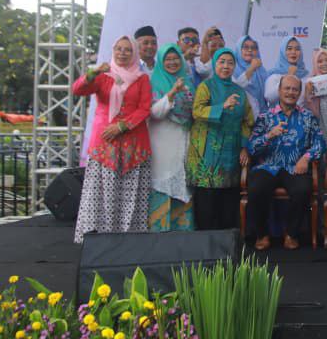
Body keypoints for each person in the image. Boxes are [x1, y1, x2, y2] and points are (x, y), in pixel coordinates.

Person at [71, 35, 153, 243]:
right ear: (113, 51)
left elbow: (144, 108)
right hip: (105, 143)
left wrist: (122, 126)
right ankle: (98, 239)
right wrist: (94, 72)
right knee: (101, 192)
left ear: (134, 53)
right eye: (119, 49)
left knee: (130, 193)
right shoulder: (103, 76)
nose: (122, 53)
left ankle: (129, 239)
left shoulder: (142, 78)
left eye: (128, 50)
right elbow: (78, 90)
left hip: (133, 143)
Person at [247, 74, 325, 250]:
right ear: (279, 90)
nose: (290, 92)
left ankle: (291, 234)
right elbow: (251, 147)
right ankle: (262, 235)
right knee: (256, 188)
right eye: (287, 88)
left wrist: (306, 158)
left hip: (295, 167)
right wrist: (269, 135)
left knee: (303, 189)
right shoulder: (265, 116)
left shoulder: (307, 116)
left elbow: (320, 143)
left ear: (299, 93)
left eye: (295, 89)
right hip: (268, 166)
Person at [186, 47, 253, 231]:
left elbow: (248, 122)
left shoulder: (240, 92)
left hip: (231, 155)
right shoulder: (206, 87)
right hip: (206, 154)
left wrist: (244, 146)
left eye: (230, 63)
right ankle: (205, 244)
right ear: (215, 64)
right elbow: (197, 111)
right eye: (222, 62)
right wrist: (222, 106)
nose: (226, 66)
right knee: (206, 203)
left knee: (228, 204)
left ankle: (226, 245)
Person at [147, 43, 195, 232]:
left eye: (176, 58)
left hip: (184, 139)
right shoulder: (154, 82)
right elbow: (155, 113)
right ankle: (159, 234)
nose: (173, 62)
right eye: (168, 59)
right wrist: (173, 92)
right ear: (161, 62)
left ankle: (183, 235)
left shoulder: (188, 82)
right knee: (162, 183)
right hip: (162, 142)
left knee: (183, 184)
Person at [304, 48, 327, 151]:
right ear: (315, 63)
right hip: (320, 121)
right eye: (319, 61)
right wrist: (308, 93)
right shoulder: (311, 82)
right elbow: (307, 105)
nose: (324, 64)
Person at [264, 36, 309, 105]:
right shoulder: (275, 74)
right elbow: (269, 97)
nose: (293, 52)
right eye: (289, 49)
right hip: (278, 112)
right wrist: (289, 76)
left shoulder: (306, 76)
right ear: (283, 52)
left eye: (297, 49)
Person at [233, 35, 269, 113]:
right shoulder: (233, 69)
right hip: (241, 114)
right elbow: (235, 89)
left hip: (262, 114)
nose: (250, 50)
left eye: (253, 48)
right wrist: (252, 68)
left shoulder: (261, 70)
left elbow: (268, 95)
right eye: (245, 47)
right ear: (239, 50)